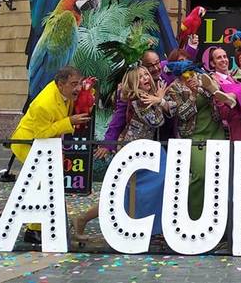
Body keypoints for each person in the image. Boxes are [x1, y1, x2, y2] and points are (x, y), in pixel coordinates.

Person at [72, 66, 169, 241]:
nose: (146, 78)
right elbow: (156, 121)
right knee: (121, 194)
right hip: (133, 153)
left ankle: (149, 227)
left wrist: (158, 100)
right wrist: (160, 100)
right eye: (140, 77)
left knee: (133, 193)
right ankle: (83, 218)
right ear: (133, 82)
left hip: (145, 152)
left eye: (146, 74)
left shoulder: (147, 97)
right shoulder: (138, 99)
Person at [9, 66, 90, 245]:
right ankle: (32, 229)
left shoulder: (66, 94)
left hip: (46, 144)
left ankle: (12, 216)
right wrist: (69, 122)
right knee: (43, 184)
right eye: (74, 84)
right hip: (28, 143)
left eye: (79, 83)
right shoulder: (44, 103)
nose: (78, 88)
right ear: (61, 85)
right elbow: (42, 133)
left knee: (42, 184)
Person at [164, 60, 229, 219]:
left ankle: (218, 219)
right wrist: (192, 95)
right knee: (200, 175)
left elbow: (215, 95)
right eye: (187, 74)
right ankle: (194, 216)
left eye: (192, 72)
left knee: (218, 175)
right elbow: (181, 114)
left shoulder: (202, 78)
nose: (191, 76)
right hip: (194, 135)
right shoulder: (173, 88)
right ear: (180, 76)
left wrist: (201, 87)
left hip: (215, 131)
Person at [202, 46, 241, 140]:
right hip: (231, 124)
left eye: (225, 56)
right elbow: (219, 108)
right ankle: (231, 97)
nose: (223, 60)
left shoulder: (236, 77)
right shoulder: (212, 79)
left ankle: (232, 96)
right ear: (213, 63)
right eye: (219, 58)